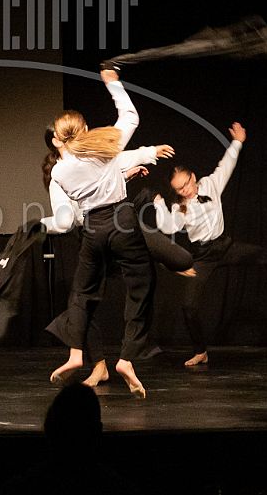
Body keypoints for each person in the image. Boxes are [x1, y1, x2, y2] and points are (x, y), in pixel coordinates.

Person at [151, 122, 267, 367]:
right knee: (188, 306)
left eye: (186, 183)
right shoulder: (179, 207)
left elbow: (226, 164)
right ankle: (200, 351)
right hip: (204, 255)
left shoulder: (211, 184)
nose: (185, 190)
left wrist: (238, 141)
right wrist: (158, 205)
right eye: (179, 188)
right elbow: (167, 227)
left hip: (225, 247)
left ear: (193, 176)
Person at [45, 69, 165, 398]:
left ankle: (75, 355)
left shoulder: (58, 172)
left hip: (92, 228)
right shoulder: (103, 147)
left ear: (57, 140)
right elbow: (130, 117)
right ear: (84, 129)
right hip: (122, 221)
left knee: (81, 293)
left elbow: (87, 188)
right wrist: (113, 83)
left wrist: (123, 173)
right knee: (141, 285)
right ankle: (126, 359)